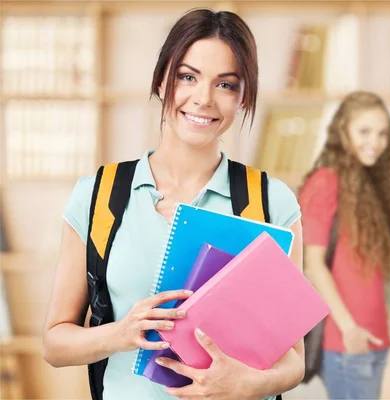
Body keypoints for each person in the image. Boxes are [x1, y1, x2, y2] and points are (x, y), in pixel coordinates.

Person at [42, 8, 304, 400]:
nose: (203, 99)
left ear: (243, 97)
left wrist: (249, 385)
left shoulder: (269, 202)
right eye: (188, 77)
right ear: (163, 80)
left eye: (226, 85)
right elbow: (54, 344)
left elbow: (294, 359)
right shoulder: (98, 195)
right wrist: (121, 333)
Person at [299, 91, 390, 399]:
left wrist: (383, 314)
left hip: (374, 337)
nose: (374, 141)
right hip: (345, 340)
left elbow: (364, 265)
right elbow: (313, 265)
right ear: (343, 131)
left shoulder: (368, 184)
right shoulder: (325, 181)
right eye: (364, 131)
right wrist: (349, 328)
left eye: (382, 133)